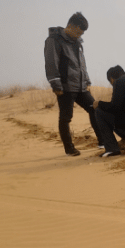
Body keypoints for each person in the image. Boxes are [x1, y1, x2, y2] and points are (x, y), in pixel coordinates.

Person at [44, 12, 103, 156]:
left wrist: (87, 80)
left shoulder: (77, 42)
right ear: (70, 26)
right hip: (65, 86)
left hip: (81, 86)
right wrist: (56, 85)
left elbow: (81, 64)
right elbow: (51, 63)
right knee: (66, 117)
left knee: (95, 109)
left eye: (82, 33)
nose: (80, 35)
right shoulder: (54, 40)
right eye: (78, 31)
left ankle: (103, 141)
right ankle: (69, 149)